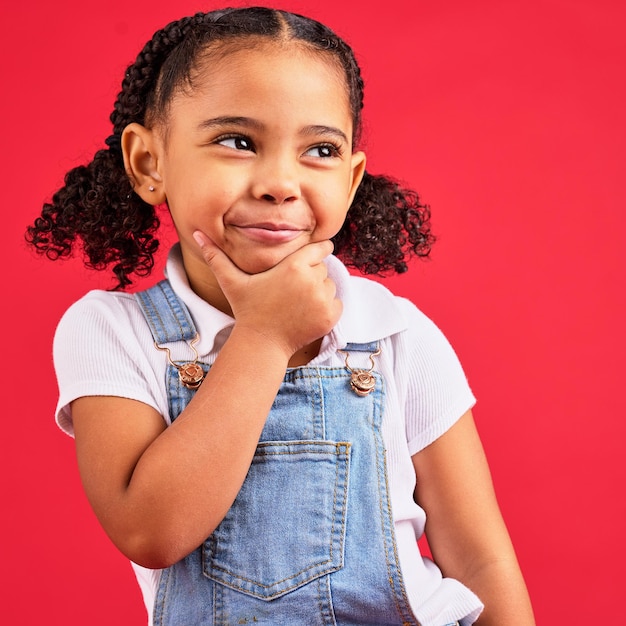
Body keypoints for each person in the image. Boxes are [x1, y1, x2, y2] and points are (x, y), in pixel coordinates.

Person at [26, 7, 535, 625]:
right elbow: (151, 530)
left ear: (349, 183)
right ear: (148, 162)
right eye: (238, 142)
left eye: (319, 150)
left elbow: (481, 564)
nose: (280, 182)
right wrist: (265, 336)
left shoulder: (394, 334)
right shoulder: (113, 332)